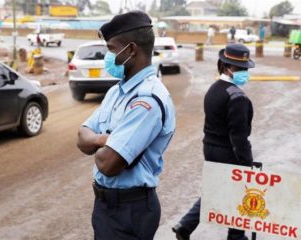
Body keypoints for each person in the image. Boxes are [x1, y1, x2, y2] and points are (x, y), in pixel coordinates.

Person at [77, 10, 176, 240]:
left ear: (131, 50)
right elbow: (81, 138)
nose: (107, 57)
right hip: (106, 207)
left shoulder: (147, 100)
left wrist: (98, 142)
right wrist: (105, 139)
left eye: (111, 49)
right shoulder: (117, 91)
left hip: (130, 212)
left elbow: (107, 163)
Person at [172, 43, 255, 240]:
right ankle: (236, 236)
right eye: (240, 69)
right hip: (228, 151)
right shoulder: (237, 97)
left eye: (245, 68)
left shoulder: (214, 89)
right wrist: (246, 163)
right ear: (227, 67)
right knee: (237, 191)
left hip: (210, 148)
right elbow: (239, 137)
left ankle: (186, 225)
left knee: (216, 188)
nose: (244, 72)